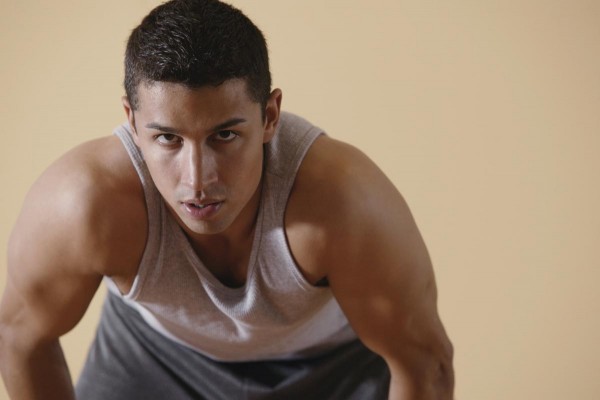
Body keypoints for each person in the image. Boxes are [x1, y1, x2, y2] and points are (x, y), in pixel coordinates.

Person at [0, 0, 454, 398]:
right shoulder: (85, 205)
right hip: (151, 356)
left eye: (225, 135)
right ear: (132, 122)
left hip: (332, 368)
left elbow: (424, 364)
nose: (197, 179)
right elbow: (18, 337)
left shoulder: (342, 204)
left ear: (270, 116)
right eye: (168, 138)